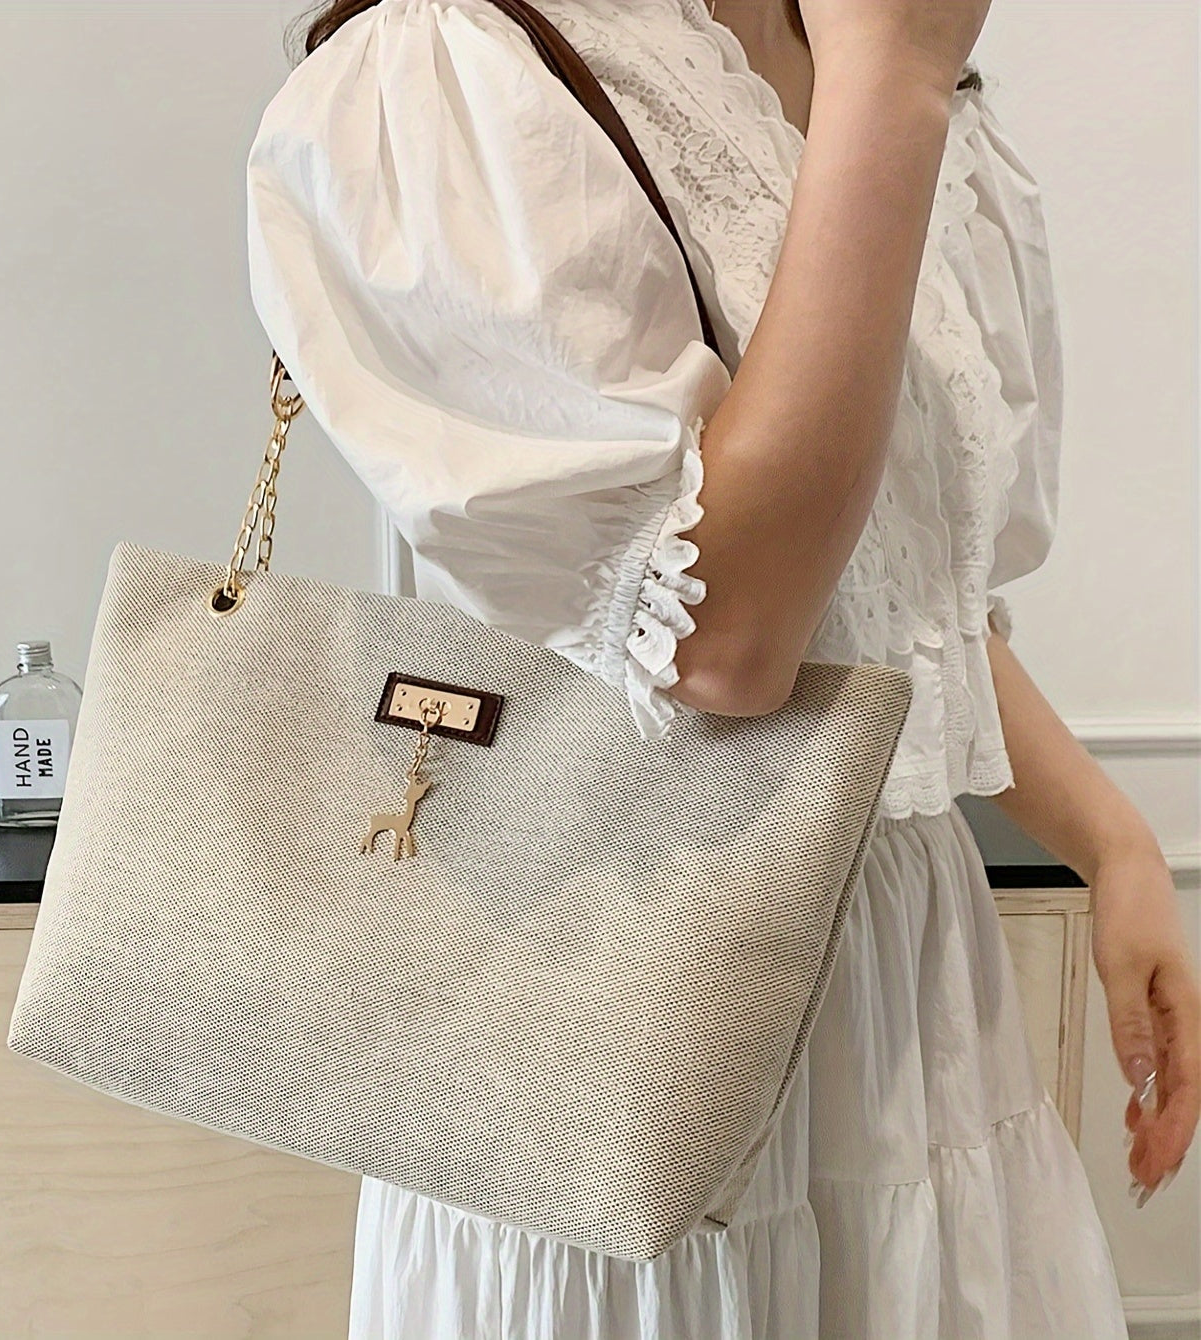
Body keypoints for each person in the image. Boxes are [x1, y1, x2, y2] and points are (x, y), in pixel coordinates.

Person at [245, 0, 1201, 1334]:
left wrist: (1116, 843)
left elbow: (899, 603)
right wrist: (891, 80)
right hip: (616, 984)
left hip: (907, 996)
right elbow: (719, 636)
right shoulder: (452, 70)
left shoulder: (883, 58)